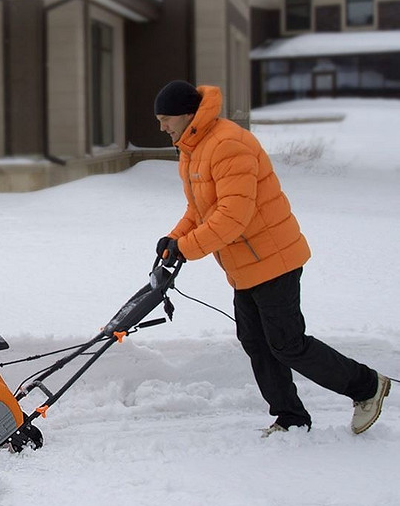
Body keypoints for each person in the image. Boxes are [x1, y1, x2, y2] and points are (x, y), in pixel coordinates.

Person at [152, 80, 390, 436]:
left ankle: (367, 387)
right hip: (244, 264)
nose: (162, 126)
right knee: (257, 343)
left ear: (187, 114)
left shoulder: (228, 143)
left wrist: (187, 248)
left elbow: (233, 216)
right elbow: (201, 208)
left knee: (288, 344)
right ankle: (291, 417)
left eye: (166, 118)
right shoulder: (193, 149)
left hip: (273, 259)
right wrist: (175, 236)